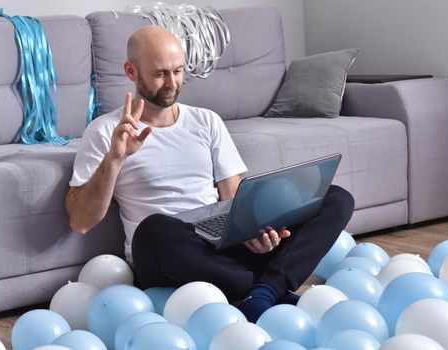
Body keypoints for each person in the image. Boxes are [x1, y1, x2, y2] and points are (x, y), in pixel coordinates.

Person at [66, 25, 355, 322]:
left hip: (224, 244)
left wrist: (254, 232)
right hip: (170, 253)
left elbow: (233, 194)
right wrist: (115, 159)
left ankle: (265, 290)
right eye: (160, 74)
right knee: (153, 230)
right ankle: (267, 286)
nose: (172, 82)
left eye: (178, 71)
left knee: (335, 198)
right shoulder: (105, 131)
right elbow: (81, 221)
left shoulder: (206, 121)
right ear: (131, 71)